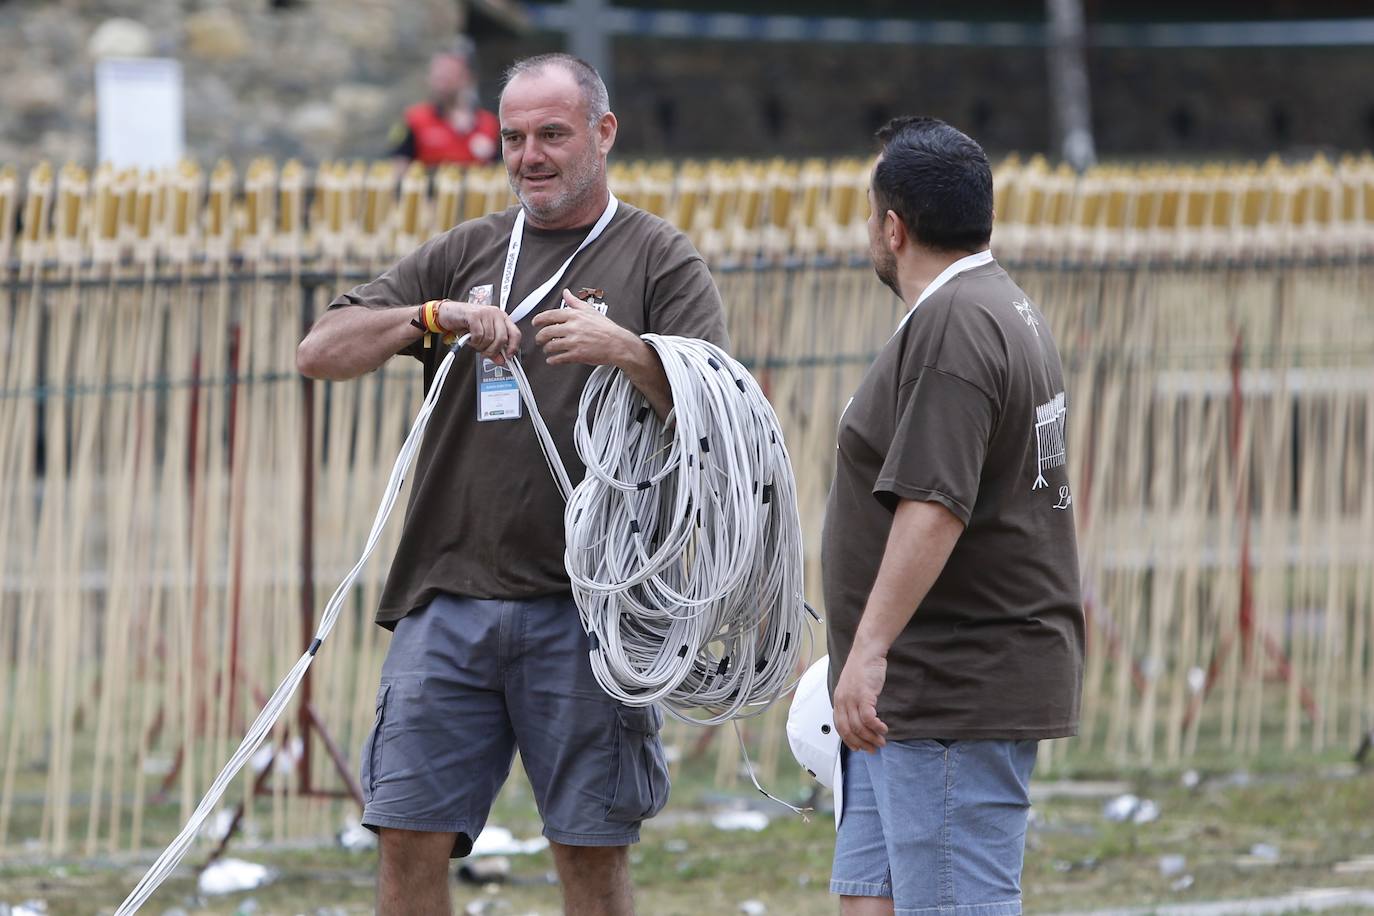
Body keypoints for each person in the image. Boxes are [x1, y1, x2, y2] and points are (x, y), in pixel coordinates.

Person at [297, 53, 728, 916]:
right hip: (445, 597)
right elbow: (319, 352)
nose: (530, 155)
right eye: (514, 138)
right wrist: (430, 318)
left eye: (552, 135)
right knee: (407, 839)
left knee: (590, 857)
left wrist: (631, 354)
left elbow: (720, 424)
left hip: (590, 610)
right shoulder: (469, 251)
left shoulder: (658, 259)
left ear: (603, 135)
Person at [822, 117, 1084, 915]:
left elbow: (934, 505)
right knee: (873, 900)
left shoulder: (957, 325)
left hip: (949, 684)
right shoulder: (994, 305)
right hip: (911, 687)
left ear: (893, 228)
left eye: (873, 215)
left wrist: (867, 649)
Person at [389, 39, 501, 169]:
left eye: (449, 72)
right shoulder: (414, 120)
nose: (441, 79)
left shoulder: (489, 124)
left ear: (467, 77)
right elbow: (398, 171)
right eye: (437, 72)